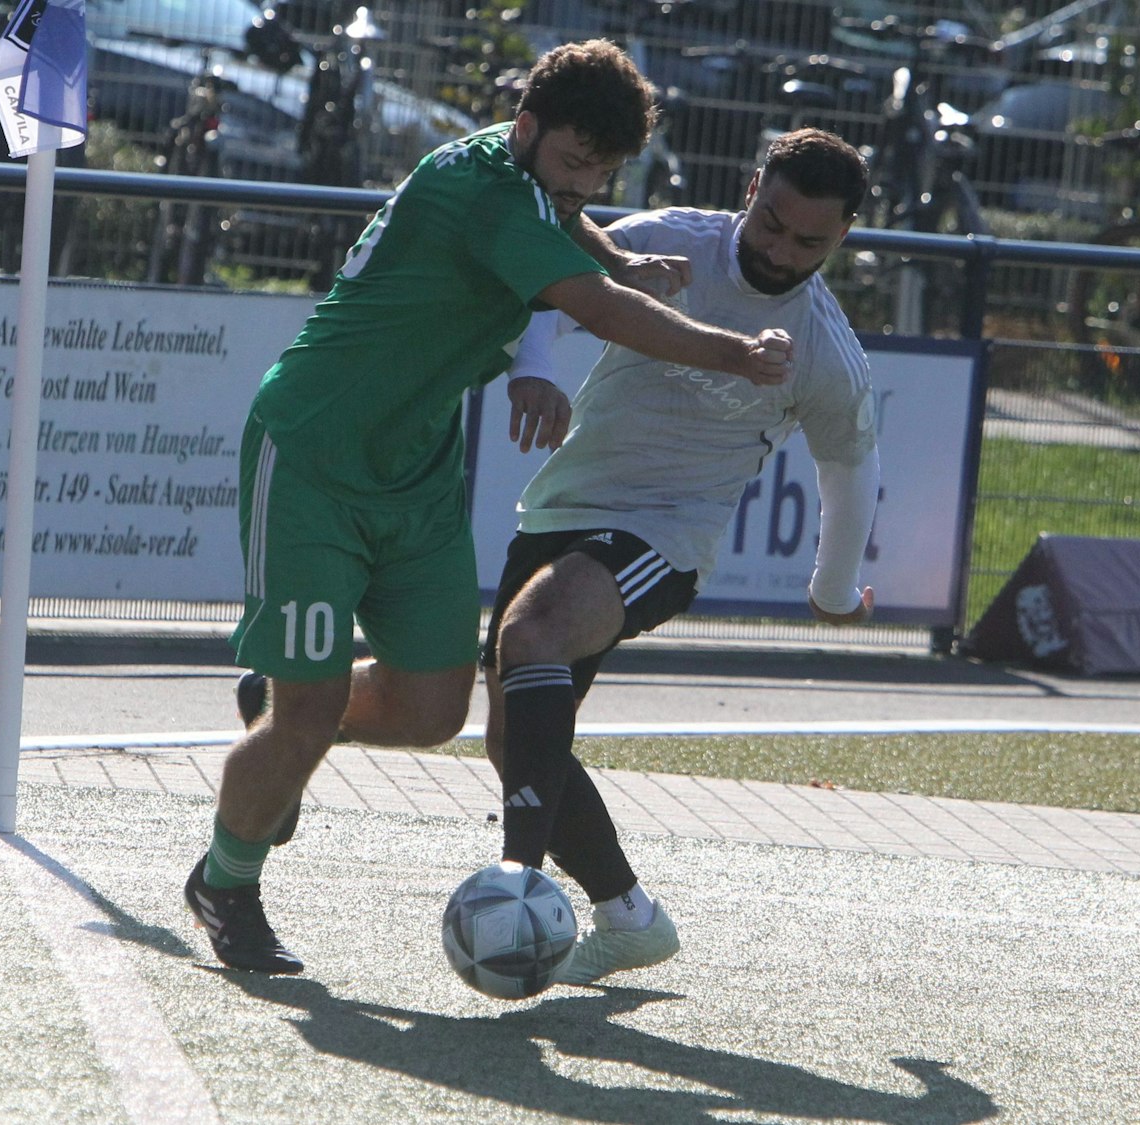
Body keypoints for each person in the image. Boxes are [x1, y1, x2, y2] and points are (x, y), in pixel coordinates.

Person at [186, 39, 799, 975]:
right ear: (526, 128)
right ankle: (227, 881)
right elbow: (594, 309)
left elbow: (563, 220)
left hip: (417, 468)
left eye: (603, 169)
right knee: (304, 718)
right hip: (312, 452)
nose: (585, 181)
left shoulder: (517, 166)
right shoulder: (482, 191)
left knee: (435, 710)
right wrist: (728, 351)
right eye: (572, 161)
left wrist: (616, 253)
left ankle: (279, 715)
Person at [481, 127, 881, 985]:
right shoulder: (670, 239)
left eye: (809, 240)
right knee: (513, 740)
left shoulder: (823, 347)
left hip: (667, 536)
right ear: (751, 187)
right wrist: (538, 368)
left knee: (539, 632)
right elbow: (561, 287)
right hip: (563, 504)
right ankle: (629, 916)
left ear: (843, 237)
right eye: (771, 222)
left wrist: (835, 588)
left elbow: (850, 465)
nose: (779, 250)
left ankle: (516, 881)